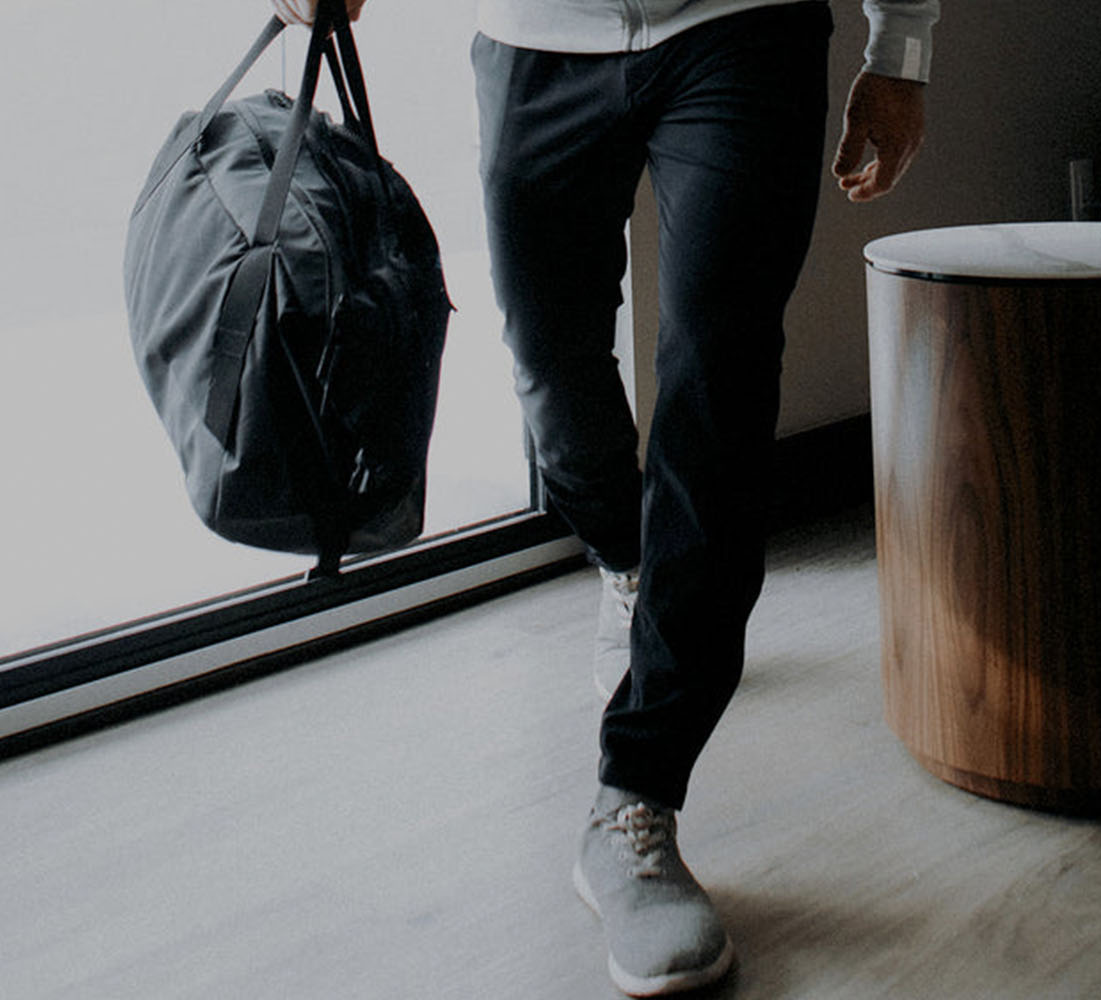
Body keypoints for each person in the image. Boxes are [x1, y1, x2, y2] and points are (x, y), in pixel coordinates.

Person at [275, 0, 938, 994]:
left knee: (719, 380)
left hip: (742, 26)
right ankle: (631, 564)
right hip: (535, 36)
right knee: (550, 370)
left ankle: (636, 800)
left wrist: (902, 47)